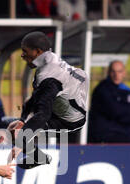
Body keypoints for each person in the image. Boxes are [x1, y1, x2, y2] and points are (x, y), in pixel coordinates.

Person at [7, 31, 88, 169]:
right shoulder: (48, 59)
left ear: (38, 52)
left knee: (20, 133)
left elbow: (43, 115)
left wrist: (21, 141)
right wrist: (22, 120)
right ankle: (39, 157)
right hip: (65, 106)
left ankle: (39, 158)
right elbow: (34, 99)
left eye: (25, 51)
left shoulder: (49, 79)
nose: (22, 55)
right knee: (20, 127)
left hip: (69, 121)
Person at [88, 60, 130, 143]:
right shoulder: (102, 89)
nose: (116, 75)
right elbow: (116, 112)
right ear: (108, 72)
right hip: (107, 132)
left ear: (124, 73)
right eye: (113, 71)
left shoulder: (127, 91)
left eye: (119, 71)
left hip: (124, 130)